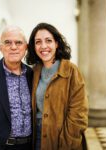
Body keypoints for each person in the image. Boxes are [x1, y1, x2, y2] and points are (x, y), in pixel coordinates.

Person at [26, 22, 88, 150]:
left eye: (48, 40)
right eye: (38, 42)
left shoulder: (71, 70)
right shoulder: (34, 71)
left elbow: (79, 114)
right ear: (34, 46)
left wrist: (67, 142)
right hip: (37, 137)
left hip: (64, 137)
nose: (43, 46)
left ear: (56, 43)